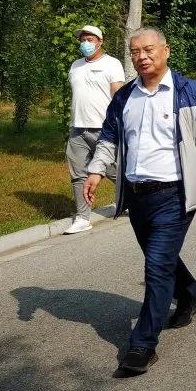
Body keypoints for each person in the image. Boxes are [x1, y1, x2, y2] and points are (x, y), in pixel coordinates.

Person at [83, 27, 196, 377]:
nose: (141, 57)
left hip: (174, 194)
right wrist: (96, 171)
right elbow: (110, 136)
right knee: (159, 258)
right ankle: (189, 294)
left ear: (166, 50)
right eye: (135, 52)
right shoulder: (125, 97)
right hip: (137, 194)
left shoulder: (190, 92)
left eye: (148, 50)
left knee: (156, 267)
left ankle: (143, 343)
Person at [65, 25, 124, 234]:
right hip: (77, 129)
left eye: (90, 39)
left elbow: (118, 96)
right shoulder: (75, 65)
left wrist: (118, 124)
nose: (85, 43)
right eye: (83, 40)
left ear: (100, 41)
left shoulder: (112, 64)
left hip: (104, 129)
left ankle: (132, 200)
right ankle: (82, 217)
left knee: (113, 171)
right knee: (78, 174)